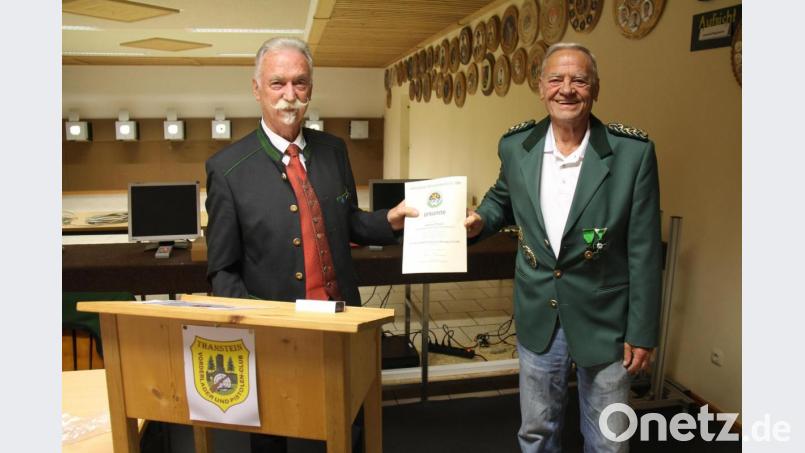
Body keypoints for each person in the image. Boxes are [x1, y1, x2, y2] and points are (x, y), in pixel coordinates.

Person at [204, 37, 416, 452]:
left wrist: (389, 220)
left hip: (342, 320)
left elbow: (348, 221)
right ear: (257, 89)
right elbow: (222, 269)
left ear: (311, 89)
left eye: (299, 83)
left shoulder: (334, 150)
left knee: (349, 422)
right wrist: (252, 327)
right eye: (277, 83)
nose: (290, 94)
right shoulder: (228, 169)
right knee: (272, 431)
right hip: (275, 333)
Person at [465, 42, 662, 452]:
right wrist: (480, 220)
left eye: (579, 80)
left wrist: (642, 332)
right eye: (556, 79)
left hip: (605, 320)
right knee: (537, 432)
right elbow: (502, 198)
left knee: (608, 439)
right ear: (541, 87)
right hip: (539, 313)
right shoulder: (517, 146)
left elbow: (643, 249)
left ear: (596, 89)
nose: (566, 89)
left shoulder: (632, 153)